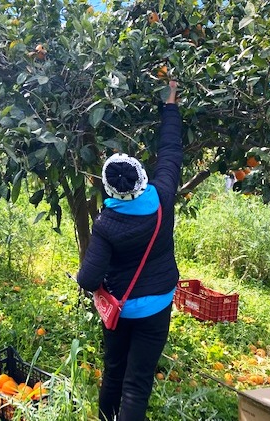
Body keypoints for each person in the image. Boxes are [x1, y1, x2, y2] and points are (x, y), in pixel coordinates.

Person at [76, 80, 182, 421]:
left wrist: (90, 281)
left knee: (114, 372)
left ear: (109, 188)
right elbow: (171, 151)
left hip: (121, 310)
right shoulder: (163, 196)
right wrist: (170, 104)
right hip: (157, 306)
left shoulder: (107, 224)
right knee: (137, 384)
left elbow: (89, 278)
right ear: (142, 178)